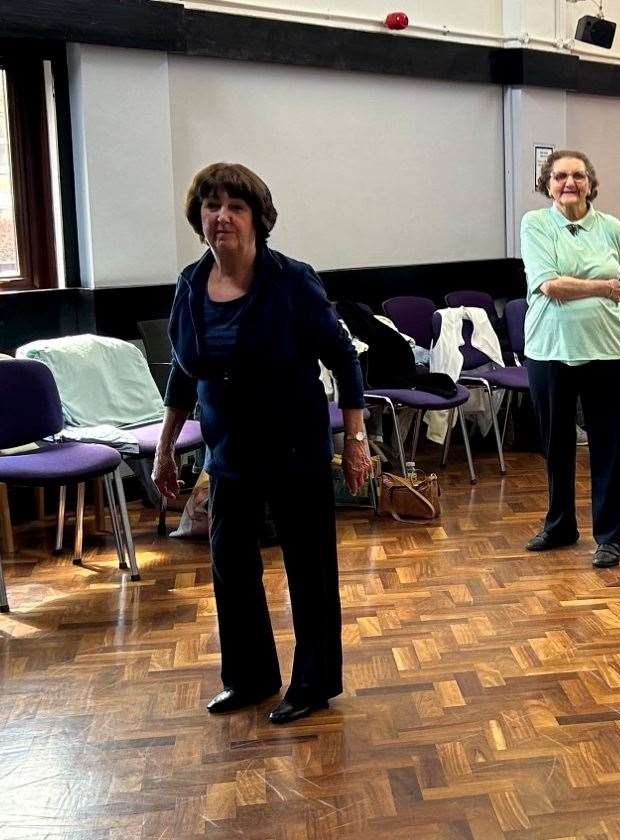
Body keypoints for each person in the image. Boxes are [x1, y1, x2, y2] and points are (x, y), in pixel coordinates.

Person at [152, 163, 368, 724]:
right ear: (198, 217)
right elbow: (182, 370)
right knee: (230, 566)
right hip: (228, 452)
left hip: (294, 446)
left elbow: (342, 357)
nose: (220, 216)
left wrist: (356, 437)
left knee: (309, 567)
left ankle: (314, 683)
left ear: (257, 219)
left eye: (235, 206)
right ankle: (250, 678)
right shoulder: (190, 284)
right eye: (210, 205)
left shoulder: (291, 280)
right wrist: (165, 446)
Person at [519, 150, 620, 568]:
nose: (569, 183)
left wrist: (599, 287)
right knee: (556, 443)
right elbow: (549, 286)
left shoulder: (612, 228)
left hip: (609, 349)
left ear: (591, 183)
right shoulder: (535, 224)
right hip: (550, 348)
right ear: (547, 184)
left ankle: (609, 537)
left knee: (611, 446)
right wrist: (599, 287)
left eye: (578, 176)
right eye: (560, 176)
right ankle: (560, 525)